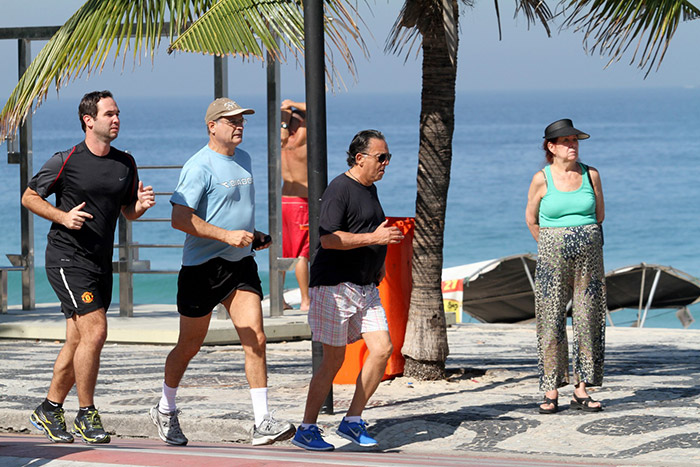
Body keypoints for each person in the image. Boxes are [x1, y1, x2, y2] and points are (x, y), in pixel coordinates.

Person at [149, 97, 295, 447]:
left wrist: (252, 234)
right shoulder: (198, 166)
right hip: (202, 269)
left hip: (240, 264)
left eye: (241, 119)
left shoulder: (243, 159)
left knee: (256, 337)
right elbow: (179, 219)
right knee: (189, 346)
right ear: (212, 126)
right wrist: (225, 234)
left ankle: (262, 421)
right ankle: (165, 407)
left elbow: (234, 211)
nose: (238, 124)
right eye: (230, 120)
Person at [23, 90, 156, 444]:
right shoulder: (66, 160)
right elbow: (29, 196)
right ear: (89, 120)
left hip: (99, 261)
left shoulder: (125, 163)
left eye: (117, 114)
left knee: (79, 338)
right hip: (66, 258)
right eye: (109, 114)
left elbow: (127, 211)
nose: (116, 120)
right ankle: (86, 413)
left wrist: (139, 207)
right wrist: (62, 216)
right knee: (96, 331)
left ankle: (50, 408)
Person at [291, 129, 404, 451]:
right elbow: (327, 239)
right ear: (360, 158)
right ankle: (307, 428)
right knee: (332, 362)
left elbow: (366, 227)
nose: (385, 164)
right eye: (381, 158)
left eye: (388, 158)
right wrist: (374, 241)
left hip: (366, 285)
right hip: (334, 287)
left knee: (382, 349)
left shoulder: (370, 189)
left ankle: (352, 420)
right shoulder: (340, 189)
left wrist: (378, 261)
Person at [525, 118, 607, 415]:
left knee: (588, 319)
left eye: (575, 141)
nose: (573, 146)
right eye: (566, 141)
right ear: (551, 147)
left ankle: (582, 388)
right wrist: (550, 244)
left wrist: (580, 237)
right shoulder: (541, 178)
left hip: (589, 257)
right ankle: (550, 389)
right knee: (551, 319)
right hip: (552, 258)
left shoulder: (591, 175)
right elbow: (531, 219)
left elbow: (599, 214)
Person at [280, 99, 310, 311]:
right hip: (301, 201)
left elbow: (283, 126)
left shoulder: (281, 142)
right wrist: (293, 104)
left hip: (283, 201)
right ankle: (306, 300)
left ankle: (279, 299)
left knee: (284, 251)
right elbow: (315, 106)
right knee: (301, 253)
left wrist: (284, 113)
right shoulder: (301, 141)